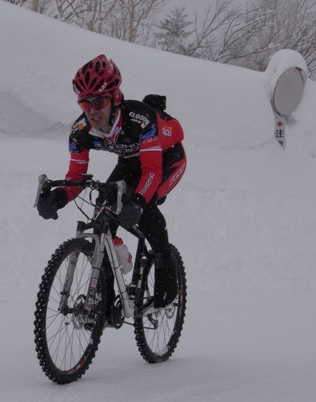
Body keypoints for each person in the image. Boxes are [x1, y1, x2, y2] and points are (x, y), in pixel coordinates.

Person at [37, 54, 186, 309]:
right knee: (104, 206)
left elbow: (151, 172)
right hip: (130, 160)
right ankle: (103, 295)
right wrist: (60, 197)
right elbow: (76, 177)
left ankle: (165, 268)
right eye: (86, 104)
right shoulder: (81, 132)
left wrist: (138, 202)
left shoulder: (140, 119)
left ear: (115, 98)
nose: (93, 111)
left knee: (145, 206)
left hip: (166, 158)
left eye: (99, 102)